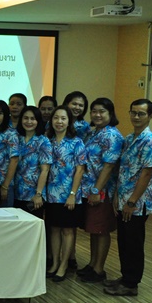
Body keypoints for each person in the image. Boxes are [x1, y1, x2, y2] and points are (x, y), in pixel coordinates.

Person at [104, 99, 152, 296]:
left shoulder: (150, 141)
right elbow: (123, 171)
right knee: (124, 241)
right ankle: (125, 277)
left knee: (134, 243)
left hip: (136, 203)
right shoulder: (129, 139)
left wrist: (131, 201)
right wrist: (117, 197)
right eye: (133, 112)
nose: (136, 117)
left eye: (141, 114)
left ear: (150, 116)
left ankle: (131, 284)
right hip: (123, 199)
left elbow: (146, 173)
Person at [77, 98, 123, 284]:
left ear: (110, 113)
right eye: (94, 111)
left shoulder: (112, 135)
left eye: (102, 111)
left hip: (103, 191)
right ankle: (92, 264)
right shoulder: (94, 132)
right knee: (93, 228)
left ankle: (99, 269)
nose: (97, 114)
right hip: (89, 189)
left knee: (102, 229)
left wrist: (97, 190)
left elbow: (109, 166)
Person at [45, 106, 86, 282]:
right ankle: (55, 263)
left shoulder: (77, 142)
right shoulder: (47, 141)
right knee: (54, 229)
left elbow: (80, 170)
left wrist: (72, 193)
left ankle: (63, 265)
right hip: (51, 194)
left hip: (69, 194)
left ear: (69, 121)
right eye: (56, 118)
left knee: (68, 230)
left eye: (63, 118)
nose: (59, 122)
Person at [13, 106, 52, 218]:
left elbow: (45, 170)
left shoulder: (43, 141)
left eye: (33, 119)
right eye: (26, 118)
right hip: (16, 192)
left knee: (31, 225)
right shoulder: (16, 138)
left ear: (38, 121)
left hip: (33, 195)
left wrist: (38, 194)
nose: (29, 122)